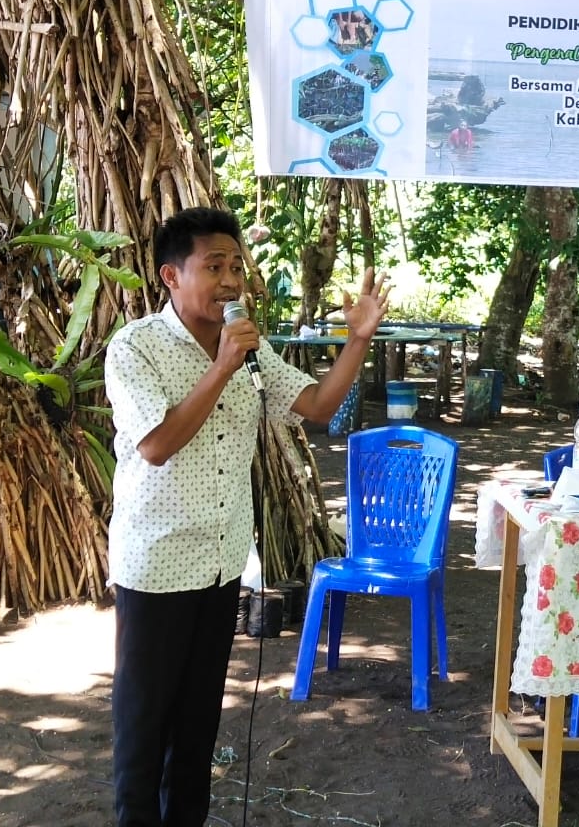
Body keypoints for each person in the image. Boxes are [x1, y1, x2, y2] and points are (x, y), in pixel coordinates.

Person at [105, 207, 389, 826]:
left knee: (199, 722)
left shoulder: (250, 353)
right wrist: (222, 368)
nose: (232, 279)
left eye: (237, 265)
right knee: (143, 724)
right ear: (170, 277)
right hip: (156, 564)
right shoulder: (136, 348)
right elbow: (156, 444)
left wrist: (359, 338)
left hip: (221, 561)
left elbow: (316, 404)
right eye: (214, 266)